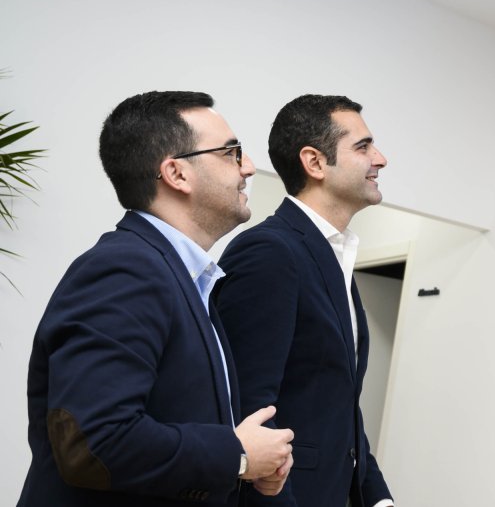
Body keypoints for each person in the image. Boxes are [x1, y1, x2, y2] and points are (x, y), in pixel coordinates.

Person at [18, 91, 295, 506]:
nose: (250, 167)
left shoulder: (182, 278)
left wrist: (249, 466)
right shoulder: (126, 270)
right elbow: (93, 442)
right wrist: (235, 456)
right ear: (176, 173)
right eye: (231, 153)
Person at [216, 94, 393, 507]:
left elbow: (339, 405)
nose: (380, 159)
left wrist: (378, 498)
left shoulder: (334, 257)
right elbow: (247, 405)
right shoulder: (270, 251)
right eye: (363, 147)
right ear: (314, 163)